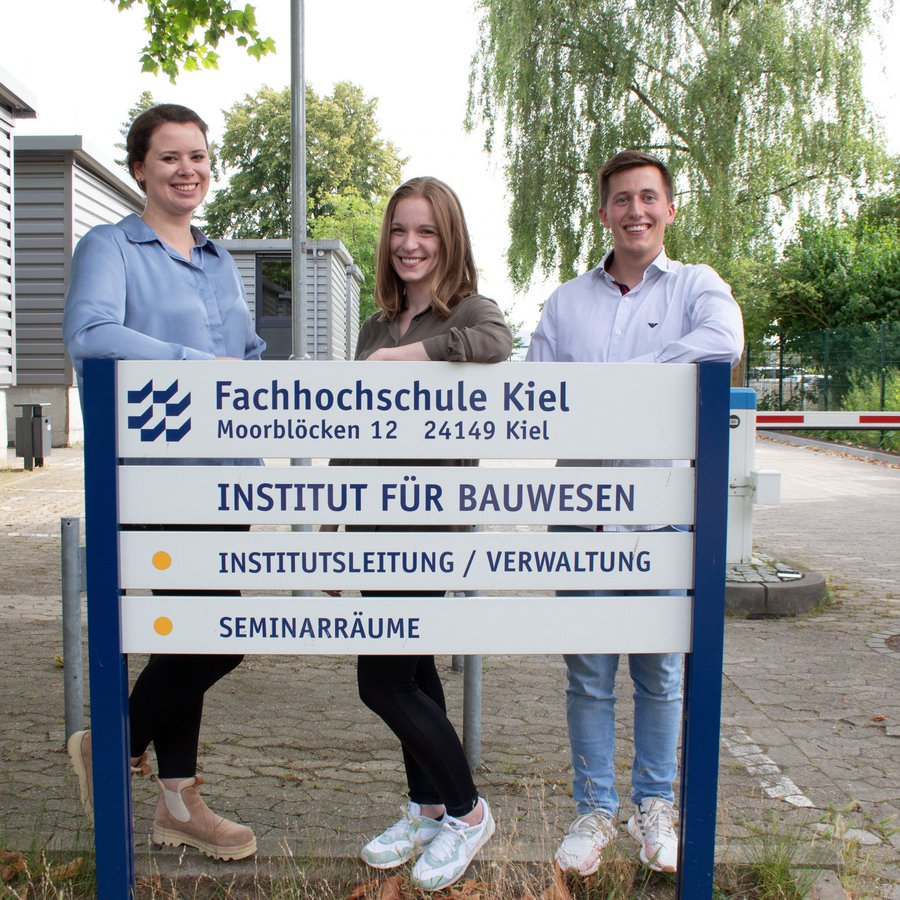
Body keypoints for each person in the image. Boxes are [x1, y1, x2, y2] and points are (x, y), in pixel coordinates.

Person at [526, 150, 744, 876]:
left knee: (660, 676)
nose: (636, 211)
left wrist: (625, 382)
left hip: (663, 522)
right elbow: (538, 395)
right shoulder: (566, 302)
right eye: (622, 199)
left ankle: (655, 809)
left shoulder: (696, 287)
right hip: (582, 518)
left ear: (669, 208)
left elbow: (724, 343)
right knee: (588, 677)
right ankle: (594, 811)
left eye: (648, 197)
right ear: (604, 212)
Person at [62, 103, 265, 861]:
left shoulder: (218, 258)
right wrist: (193, 366)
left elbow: (245, 353)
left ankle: (178, 801)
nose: (188, 170)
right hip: (158, 477)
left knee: (189, 634)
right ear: (140, 167)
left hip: (228, 475)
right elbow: (89, 333)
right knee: (215, 637)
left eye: (198, 156)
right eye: (171, 156)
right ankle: (114, 742)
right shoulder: (110, 246)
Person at [327, 176, 512, 892]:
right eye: (400, 230)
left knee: (380, 681)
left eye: (426, 231)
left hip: (430, 525)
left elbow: (496, 343)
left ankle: (468, 811)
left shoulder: (469, 309)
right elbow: (353, 427)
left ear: (449, 238)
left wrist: (409, 358)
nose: (410, 244)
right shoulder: (376, 325)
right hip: (373, 523)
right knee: (413, 672)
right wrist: (334, 520)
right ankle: (428, 807)